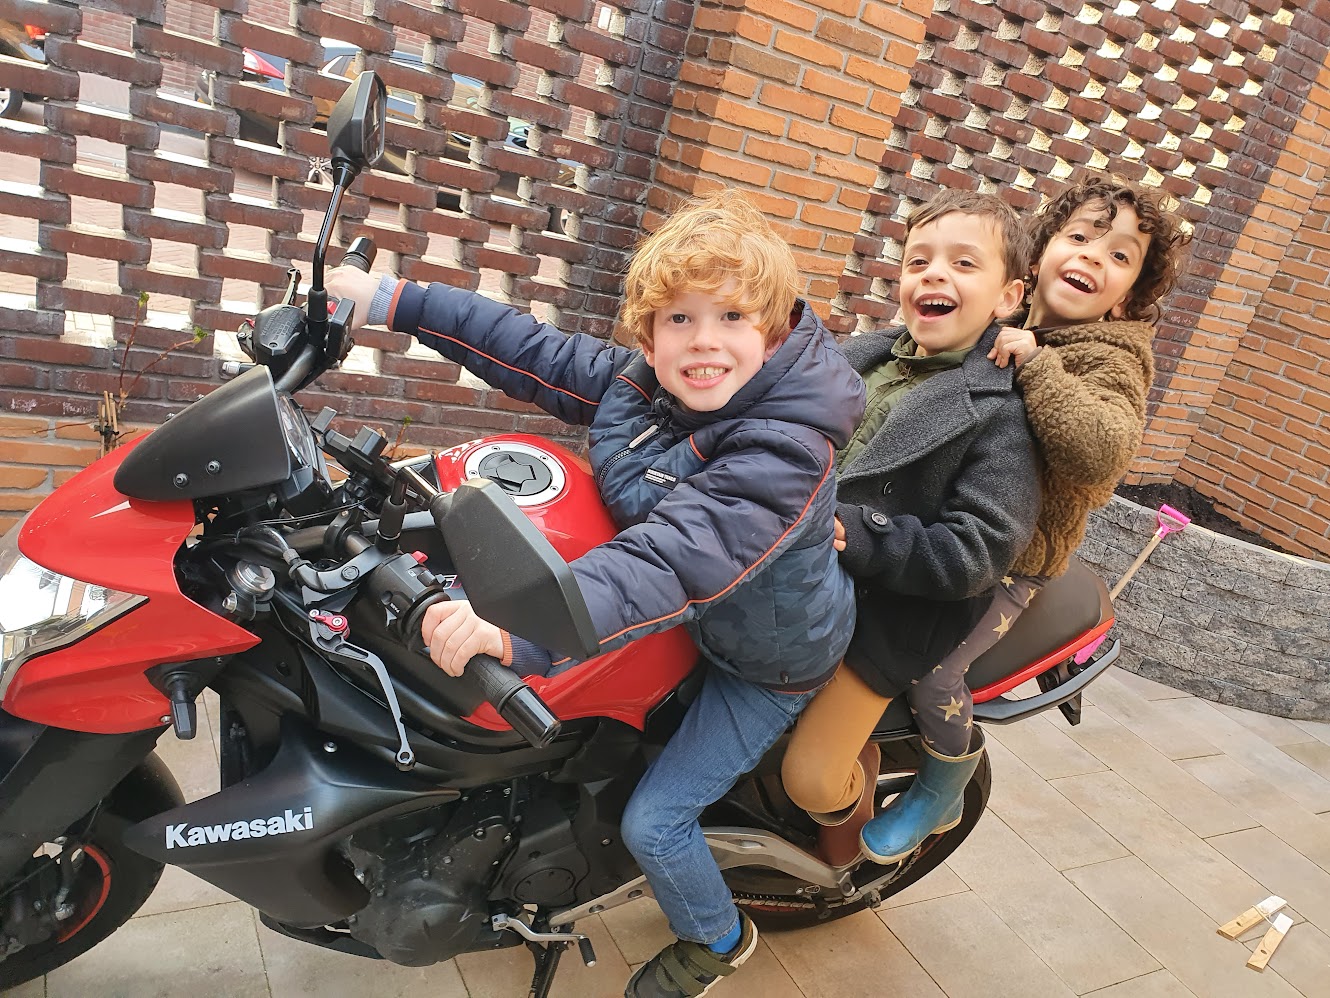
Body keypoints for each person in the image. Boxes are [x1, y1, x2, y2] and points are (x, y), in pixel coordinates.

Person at [328, 189, 865, 998]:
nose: (703, 340)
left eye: (731, 317)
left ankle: (717, 939)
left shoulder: (784, 449)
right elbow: (532, 349)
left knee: (656, 823)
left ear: (775, 330)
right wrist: (389, 299)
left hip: (766, 662)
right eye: (679, 319)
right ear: (649, 335)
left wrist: (518, 628)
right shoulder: (648, 386)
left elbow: (671, 562)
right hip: (694, 618)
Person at [847, 175, 1191, 866]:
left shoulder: (1114, 358)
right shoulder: (1002, 317)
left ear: (1129, 296)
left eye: (1119, 255)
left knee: (934, 675)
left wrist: (1037, 366)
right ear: (1041, 253)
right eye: (1080, 236)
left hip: (1012, 563)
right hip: (939, 526)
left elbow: (1099, 452)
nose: (1092, 256)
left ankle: (944, 782)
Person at [780, 188, 1041, 867]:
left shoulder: (1000, 414)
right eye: (918, 260)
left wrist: (866, 537)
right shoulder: (856, 356)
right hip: (782, 573)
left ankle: (855, 799)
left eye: (963, 263)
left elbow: (979, 550)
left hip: (888, 608)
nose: (933, 274)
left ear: (1008, 297)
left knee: (811, 779)